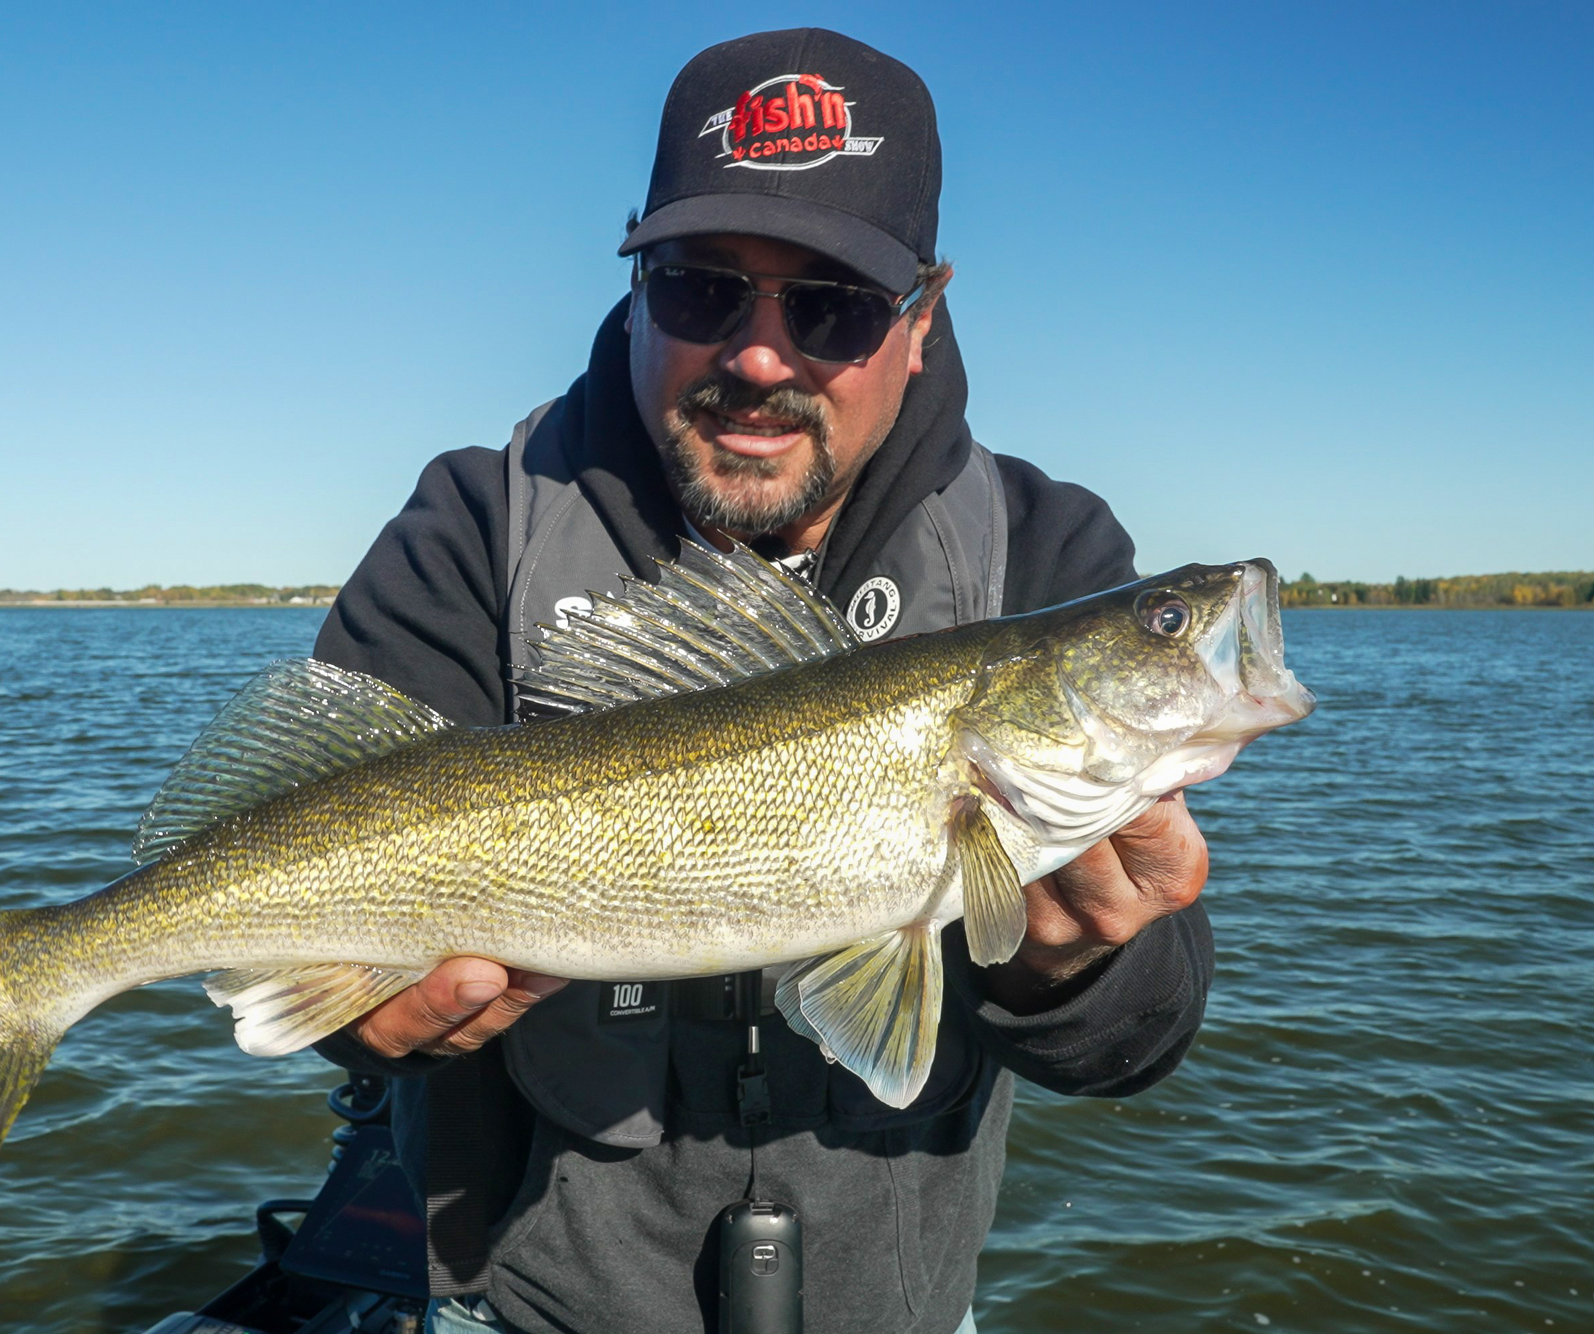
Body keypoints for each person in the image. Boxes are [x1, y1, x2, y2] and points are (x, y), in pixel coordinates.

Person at [309, 29, 1211, 1334]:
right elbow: (307, 958)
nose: (762, 358)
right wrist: (363, 1014)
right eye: (701, 287)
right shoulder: (473, 525)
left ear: (924, 317)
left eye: (833, 305)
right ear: (636, 280)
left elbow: (1138, 1042)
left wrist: (1072, 967)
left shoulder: (1047, 556)